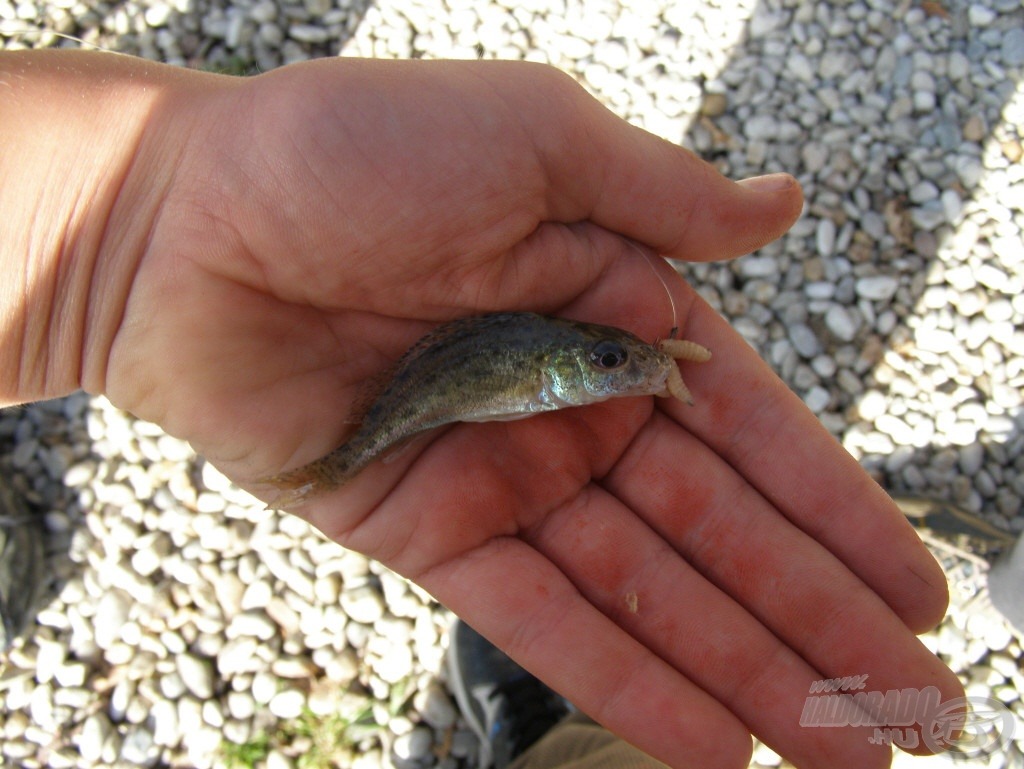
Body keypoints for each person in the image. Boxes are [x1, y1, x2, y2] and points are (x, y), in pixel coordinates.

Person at [0, 50, 963, 768]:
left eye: (618, 362)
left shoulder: (557, 366)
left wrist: (138, 216)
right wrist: (140, 218)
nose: (625, 367)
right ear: (563, 367)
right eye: (608, 360)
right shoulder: (543, 369)